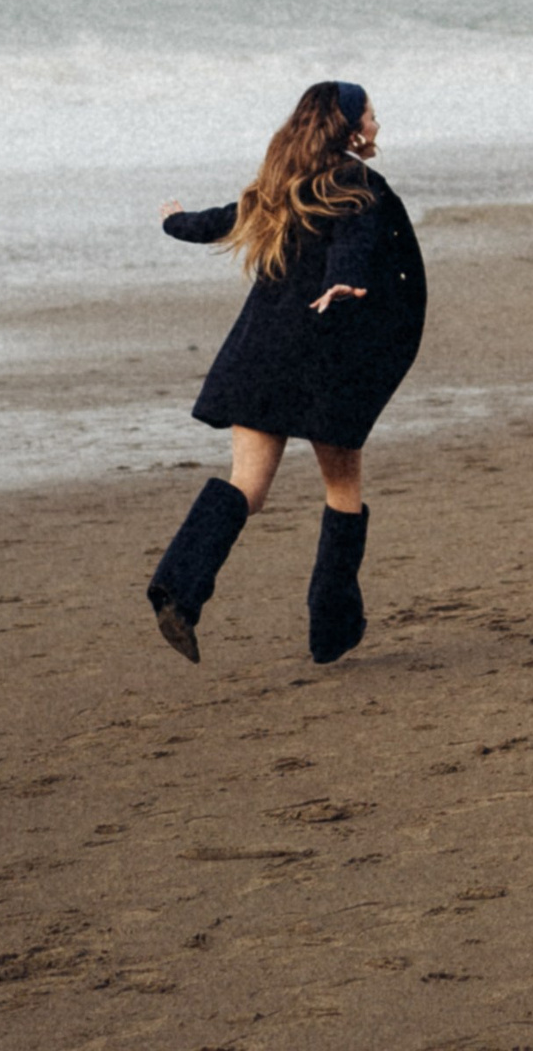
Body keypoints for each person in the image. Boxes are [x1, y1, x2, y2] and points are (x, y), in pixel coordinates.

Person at [144, 76, 426, 667]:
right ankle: (332, 628)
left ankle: (179, 588)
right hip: (328, 358)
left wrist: (174, 222)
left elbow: (218, 220)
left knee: (247, 486)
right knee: (342, 487)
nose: (377, 125)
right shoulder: (358, 185)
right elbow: (355, 240)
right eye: (371, 116)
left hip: (261, 356)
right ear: (350, 129)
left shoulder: (280, 186)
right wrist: (342, 286)